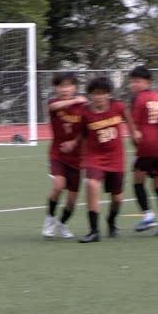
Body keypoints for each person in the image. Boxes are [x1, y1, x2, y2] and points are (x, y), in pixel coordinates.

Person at [78, 77, 140, 243]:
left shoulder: (118, 106)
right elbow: (83, 136)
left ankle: (111, 221)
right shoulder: (85, 113)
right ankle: (93, 231)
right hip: (95, 157)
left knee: (117, 198)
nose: (99, 97)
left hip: (116, 157)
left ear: (109, 94)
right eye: (95, 94)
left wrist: (134, 133)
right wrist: (82, 157)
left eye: (102, 93)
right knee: (91, 185)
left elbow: (129, 119)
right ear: (90, 95)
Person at [128, 66, 158, 235]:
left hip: (146, 146)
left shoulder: (138, 99)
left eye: (137, 81)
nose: (133, 85)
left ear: (147, 82)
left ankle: (148, 215)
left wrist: (136, 142)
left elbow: (134, 126)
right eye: (132, 81)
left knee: (138, 182)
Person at [42, 72, 87, 239]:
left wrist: (74, 143)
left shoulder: (83, 109)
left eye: (68, 85)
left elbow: (85, 130)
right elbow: (52, 108)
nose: (65, 89)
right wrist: (75, 100)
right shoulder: (54, 103)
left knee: (72, 200)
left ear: (75, 87)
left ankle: (62, 224)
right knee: (58, 186)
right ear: (56, 88)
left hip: (77, 157)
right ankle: (49, 219)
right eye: (61, 86)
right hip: (58, 154)